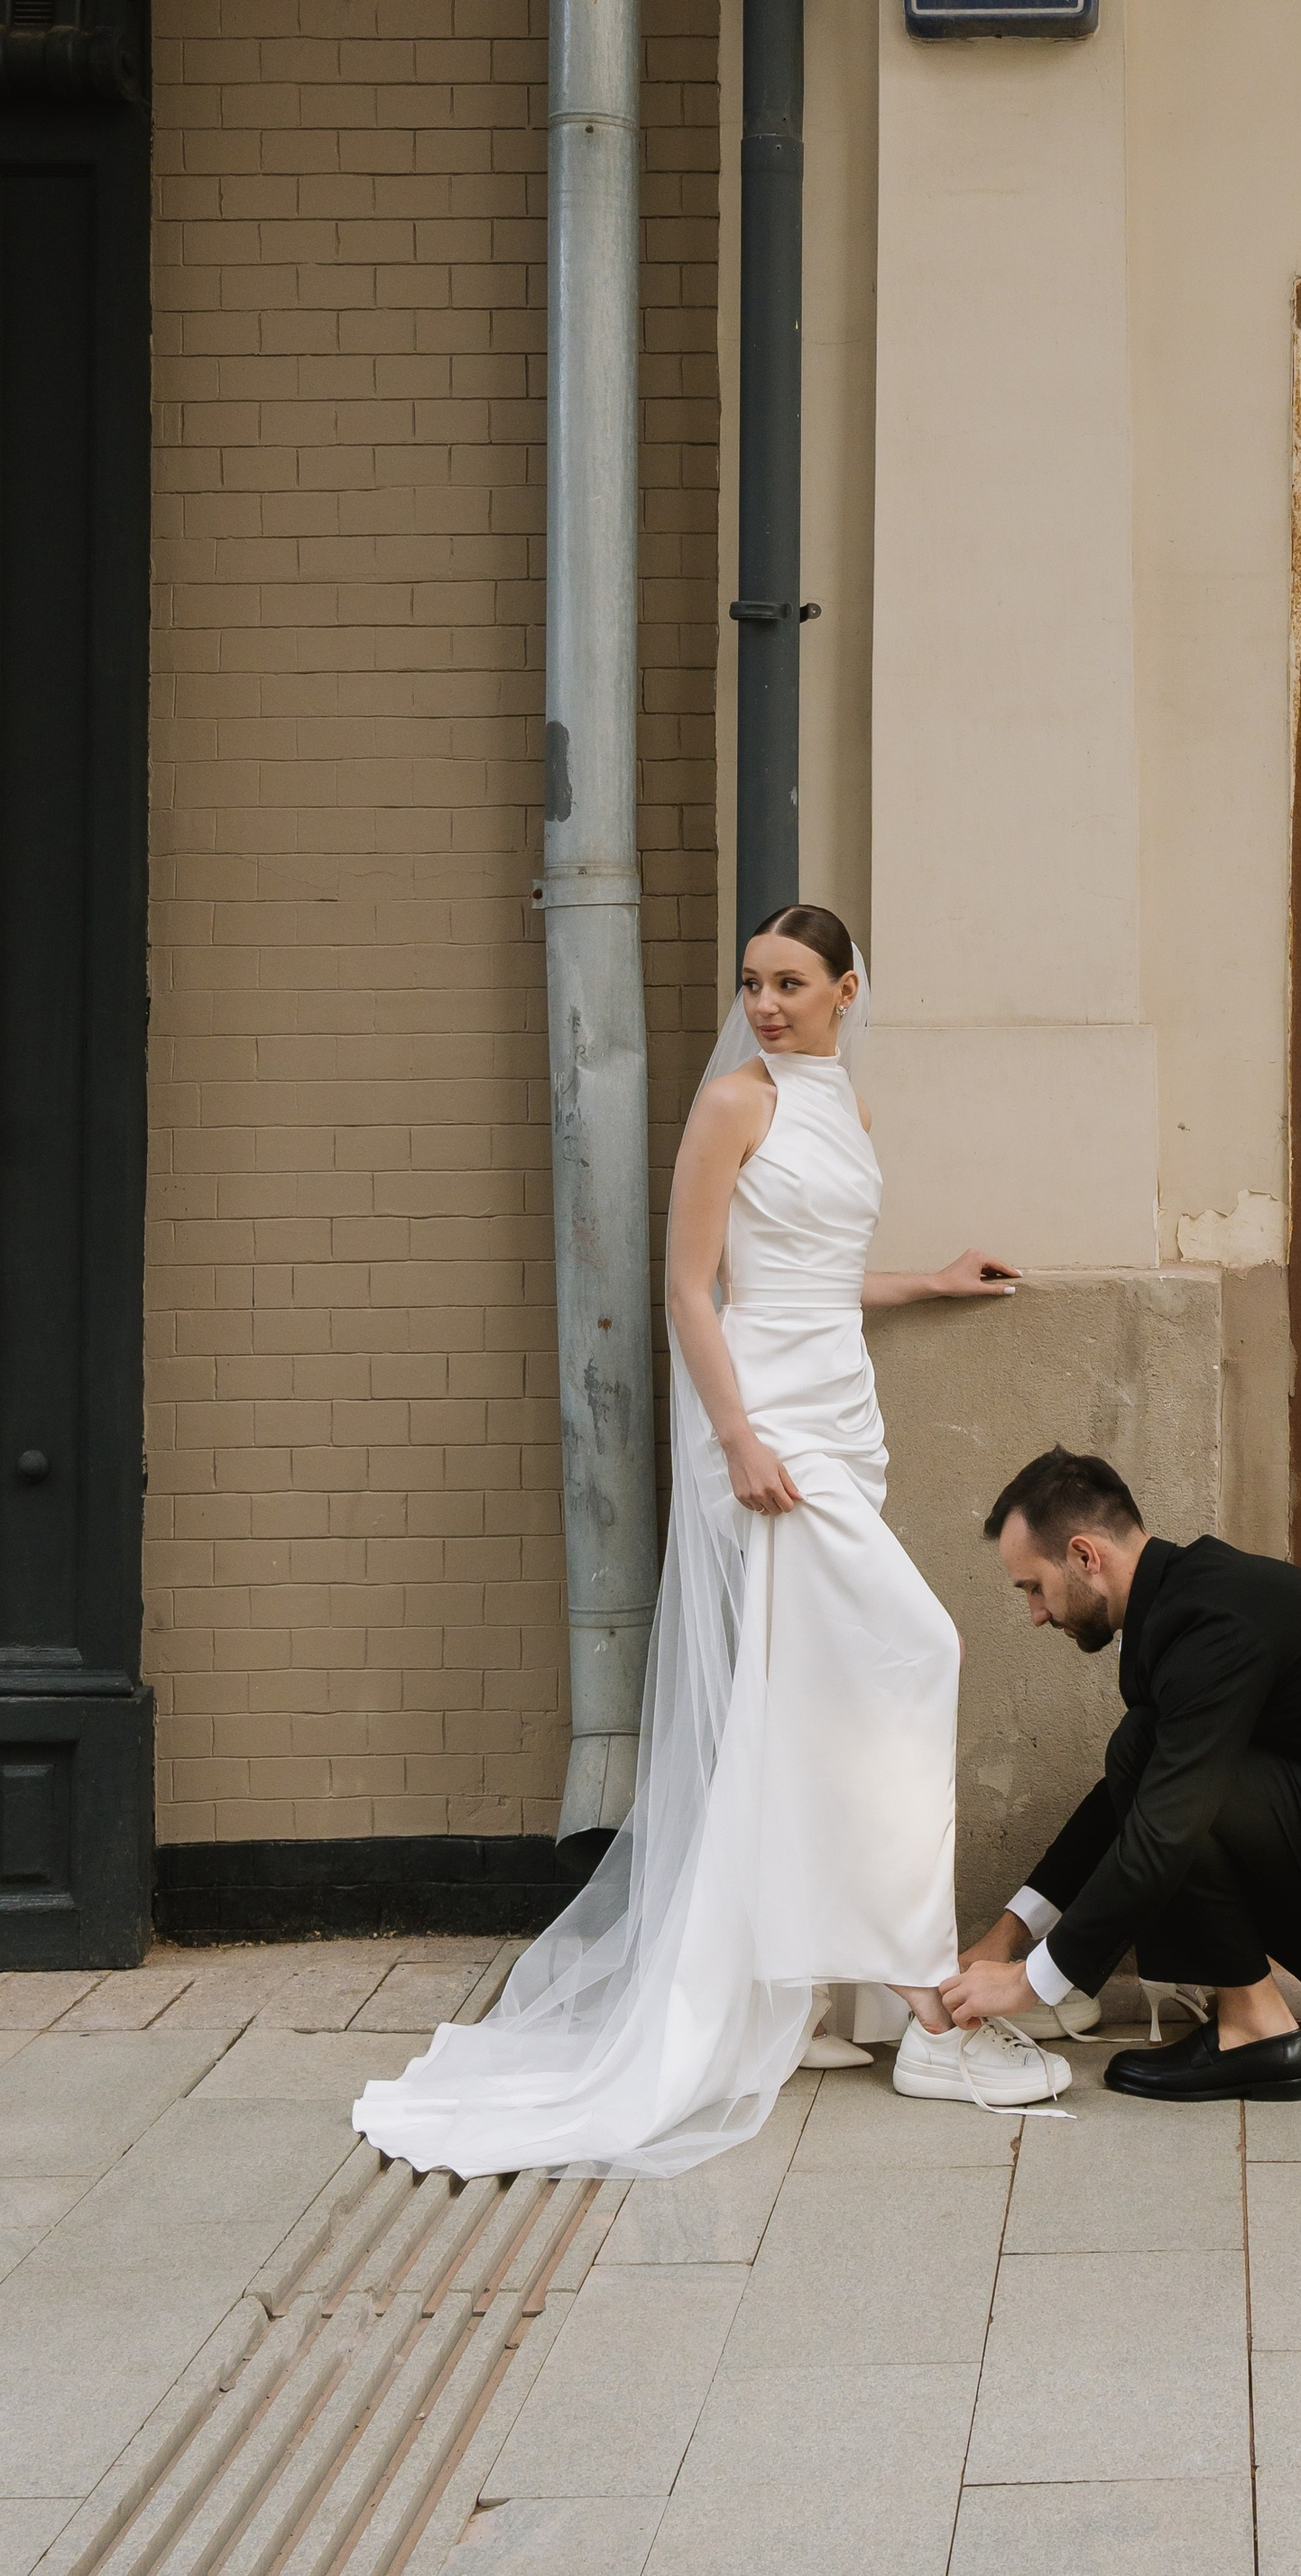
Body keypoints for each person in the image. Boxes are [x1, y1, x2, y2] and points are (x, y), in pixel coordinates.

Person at [353, 905, 1070, 2178]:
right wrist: (735, 1437)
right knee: (922, 1653)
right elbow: (693, 1286)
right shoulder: (733, 1103)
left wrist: (929, 1282)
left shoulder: (842, 1106)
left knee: (810, 1709)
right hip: (770, 1437)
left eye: (792, 982)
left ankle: (811, 1990)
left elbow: (810, 1266)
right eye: (752, 982)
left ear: (851, 989)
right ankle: (920, 2007)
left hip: (841, 1421)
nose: (767, 1004)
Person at [940, 1449, 1301, 2101]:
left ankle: (1256, 2029)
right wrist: (1009, 1934)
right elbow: (1120, 1800)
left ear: (1085, 1556)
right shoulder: (1190, 1598)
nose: (1036, 1613)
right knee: (1151, 1762)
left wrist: (1031, 1983)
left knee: (1169, 1794)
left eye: (1033, 1587)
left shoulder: (1208, 1628)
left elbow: (1164, 1825)